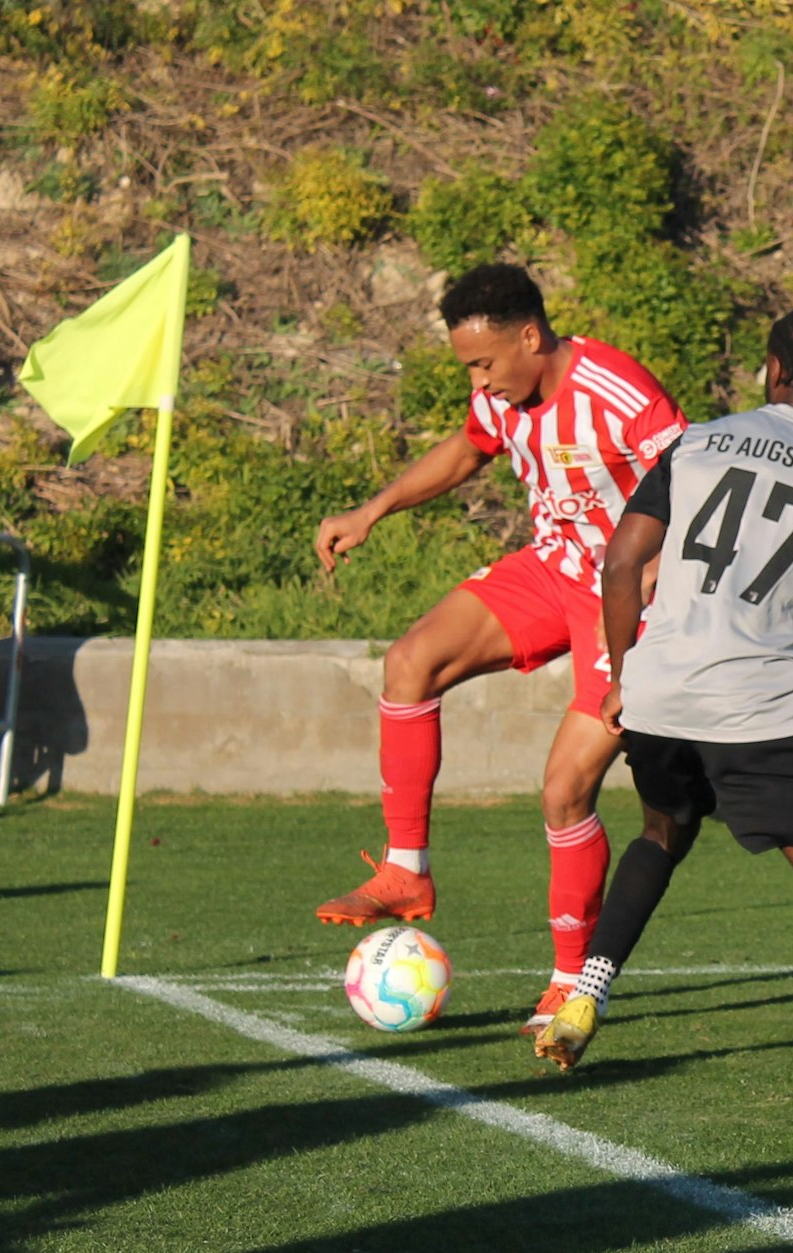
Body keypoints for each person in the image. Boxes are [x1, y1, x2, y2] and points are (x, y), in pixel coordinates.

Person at [532, 306, 793, 1106]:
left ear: (773, 372)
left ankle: (583, 997)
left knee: (661, 833)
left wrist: (621, 672)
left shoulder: (701, 440)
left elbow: (622, 559)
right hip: (758, 710)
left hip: (661, 695)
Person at [313, 263, 687, 1036]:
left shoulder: (616, 389)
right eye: (468, 368)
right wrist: (373, 508)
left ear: (529, 335)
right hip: (551, 569)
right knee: (410, 661)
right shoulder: (499, 396)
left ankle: (571, 980)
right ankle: (406, 870)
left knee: (562, 791)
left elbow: (700, 477)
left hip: (626, 600)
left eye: (484, 362)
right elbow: (468, 446)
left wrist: (655, 571)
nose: (479, 380)